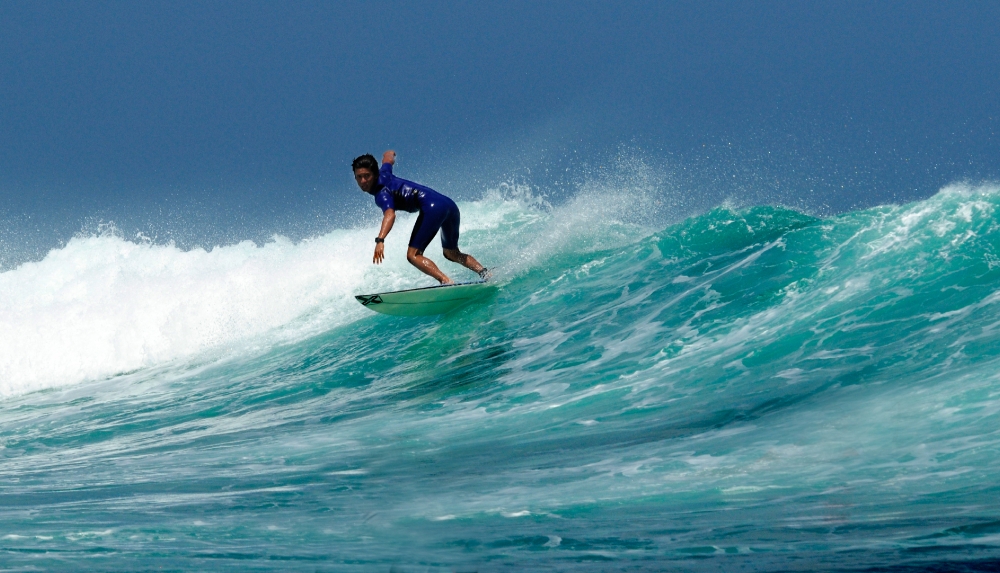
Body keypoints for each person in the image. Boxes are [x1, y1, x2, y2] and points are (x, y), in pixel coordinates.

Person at [352, 150, 488, 284]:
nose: (363, 181)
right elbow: (388, 159)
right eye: (359, 177)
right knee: (451, 252)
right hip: (449, 205)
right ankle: (484, 272)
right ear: (355, 177)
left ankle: (446, 281)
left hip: (432, 208)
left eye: (367, 176)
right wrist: (389, 153)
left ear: (375, 174)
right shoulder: (385, 172)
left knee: (413, 255)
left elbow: (390, 214)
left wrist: (380, 240)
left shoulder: (381, 193)